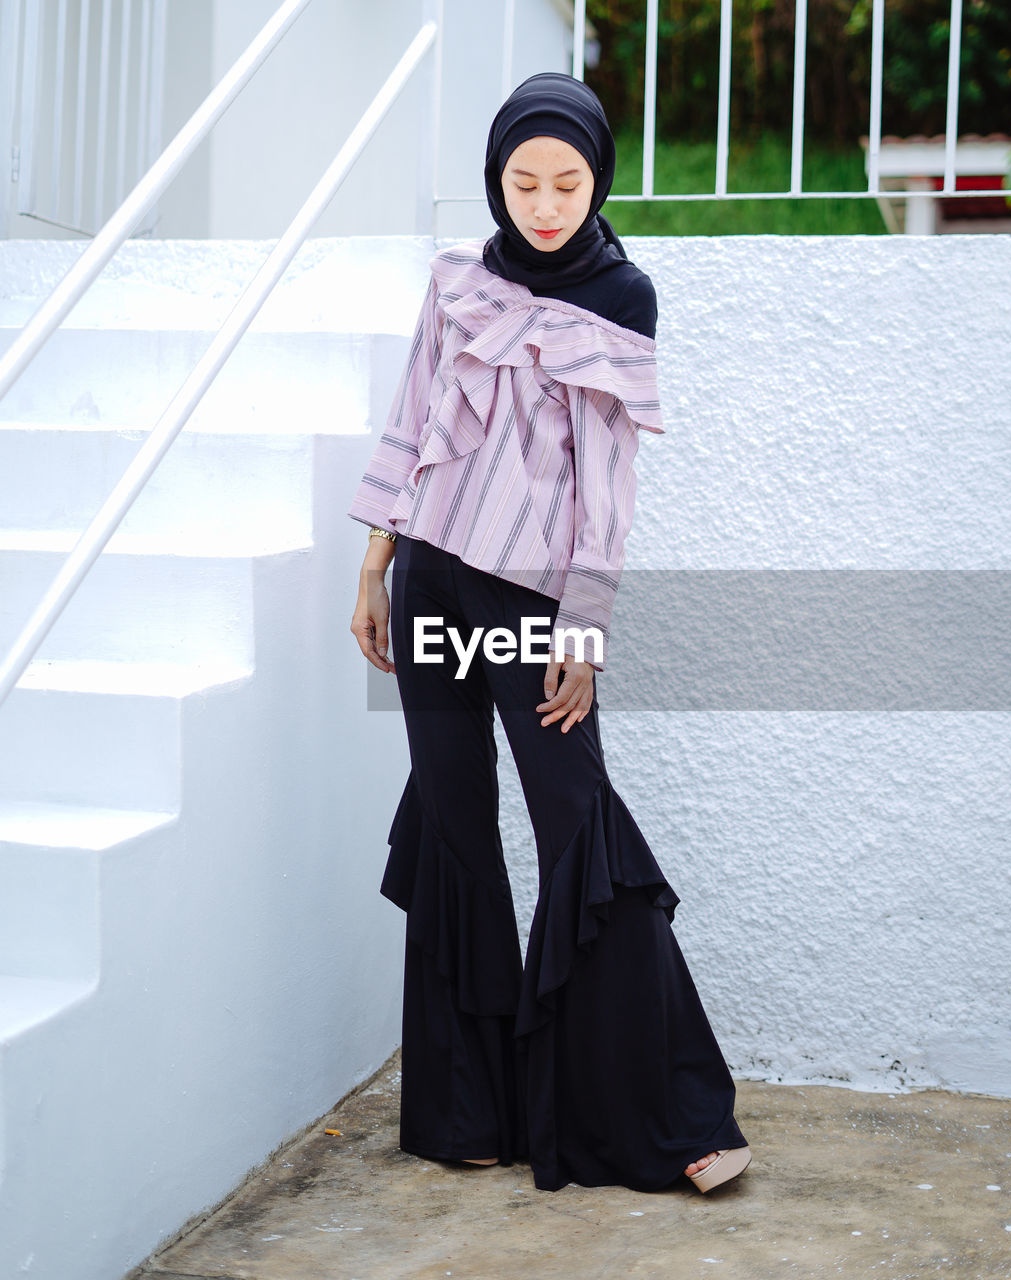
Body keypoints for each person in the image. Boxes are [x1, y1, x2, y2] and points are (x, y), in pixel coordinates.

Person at [349, 71, 751, 1196]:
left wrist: (584, 630)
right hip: (428, 578)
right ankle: (464, 1108)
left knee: (579, 825)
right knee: (455, 829)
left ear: (598, 179)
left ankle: (671, 1119)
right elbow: (411, 416)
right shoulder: (457, 283)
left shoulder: (620, 298)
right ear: (495, 180)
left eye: (565, 180)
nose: (542, 202)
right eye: (522, 180)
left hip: (532, 606)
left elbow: (607, 485)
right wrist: (375, 563)